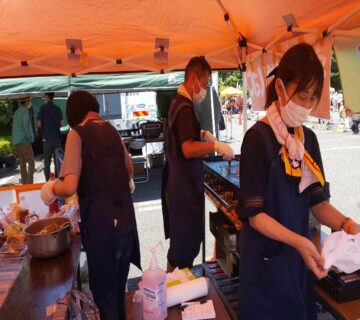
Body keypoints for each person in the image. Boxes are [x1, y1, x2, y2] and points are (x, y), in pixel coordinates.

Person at [236, 43, 360, 320]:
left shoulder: (308, 140)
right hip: (265, 266)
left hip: (297, 263)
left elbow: (317, 202)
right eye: (302, 96)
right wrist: (301, 243)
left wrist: (347, 224)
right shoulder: (258, 139)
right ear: (280, 89)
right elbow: (255, 215)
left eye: (312, 98)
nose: (306, 106)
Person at [40, 91, 141, 320]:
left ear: (74, 113)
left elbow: (70, 186)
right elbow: (129, 170)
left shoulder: (77, 133)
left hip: (102, 229)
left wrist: (50, 189)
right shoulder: (112, 130)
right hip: (126, 225)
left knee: (105, 298)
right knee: (117, 292)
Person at [162, 56, 234, 272]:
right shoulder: (184, 107)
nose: (203, 89)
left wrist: (202, 133)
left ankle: (173, 288)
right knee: (183, 249)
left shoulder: (176, 103)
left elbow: (181, 134)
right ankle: (178, 293)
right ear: (193, 78)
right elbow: (187, 148)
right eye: (203, 83)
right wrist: (216, 147)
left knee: (178, 247)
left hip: (176, 184)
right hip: (183, 187)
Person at [37, 92, 64, 181]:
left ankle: (48, 181)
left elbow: (39, 123)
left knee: (47, 162)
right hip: (57, 137)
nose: (44, 98)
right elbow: (61, 124)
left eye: (45, 97)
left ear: (48, 97)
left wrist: (44, 131)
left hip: (46, 138)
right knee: (57, 161)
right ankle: (58, 180)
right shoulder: (58, 108)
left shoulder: (42, 108)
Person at [12, 94, 35, 184]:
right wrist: (30, 138)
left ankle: (24, 183)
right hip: (24, 141)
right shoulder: (25, 112)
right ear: (26, 102)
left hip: (17, 141)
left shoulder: (17, 112)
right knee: (31, 162)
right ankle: (29, 184)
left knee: (22, 163)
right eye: (29, 101)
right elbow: (26, 126)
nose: (29, 102)